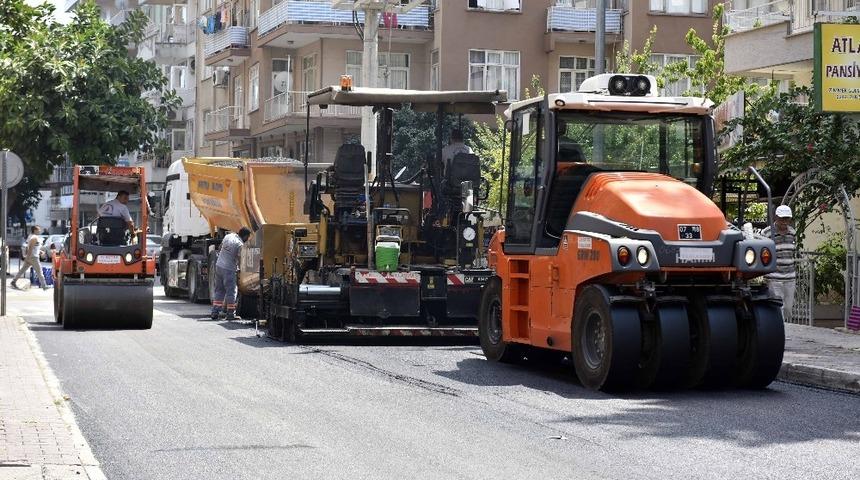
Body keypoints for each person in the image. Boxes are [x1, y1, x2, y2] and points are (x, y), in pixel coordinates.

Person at [762, 205, 796, 321]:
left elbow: (793, 252)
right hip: (774, 276)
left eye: (787, 219)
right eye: (782, 218)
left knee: (788, 308)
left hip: (790, 276)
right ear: (776, 218)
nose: (784, 222)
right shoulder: (767, 232)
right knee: (778, 307)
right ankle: (781, 332)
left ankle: (784, 328)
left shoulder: (792, 233)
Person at [211, 227, 252, 321]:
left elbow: (220, 247)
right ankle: (230, 314)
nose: (247, 239)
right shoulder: (239, 244)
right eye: (248, 237)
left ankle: (215, 312)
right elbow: (240, 259)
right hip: (228, 269)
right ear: (245, 236)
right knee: (231, 291)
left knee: (219, 290)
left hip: (219, 265)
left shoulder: (229, 236)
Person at [12, 226, 48, 291]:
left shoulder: (30, 236)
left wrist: (40, 252)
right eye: (38, 230)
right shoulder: (34, 237)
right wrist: (28, 257)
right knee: (39, 271)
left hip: (30, 256)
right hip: (33, 257)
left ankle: (14, 281)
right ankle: (44, 286)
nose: (40, 231)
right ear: (34, 230)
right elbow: (30, 248)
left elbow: (34, 248)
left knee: (22, 270)